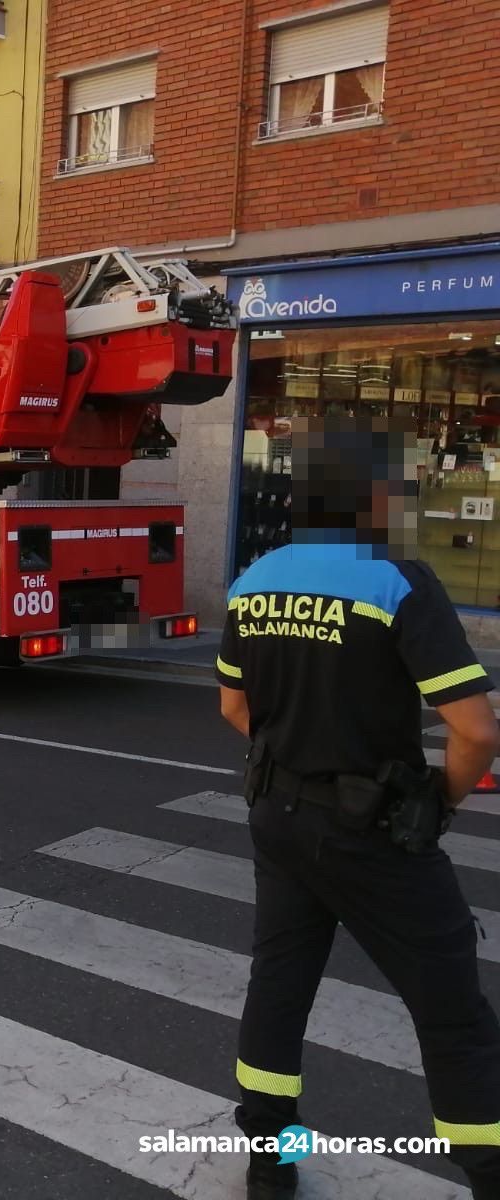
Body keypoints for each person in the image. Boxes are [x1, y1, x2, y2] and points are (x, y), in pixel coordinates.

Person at [216, 415, 500, 1200]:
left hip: (277, 816)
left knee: (279, 983)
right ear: (376, 493)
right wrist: (436, 802)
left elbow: (234, 709)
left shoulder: (256, 578)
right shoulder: (396, 582)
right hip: (373, 831)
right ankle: (490, 1169)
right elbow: (476, 732)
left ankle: (268, 1163)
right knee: (451, 1011)